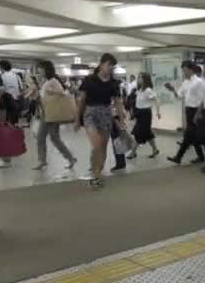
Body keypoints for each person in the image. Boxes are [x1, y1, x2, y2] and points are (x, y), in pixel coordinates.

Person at [75, 53, 125, 189]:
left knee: (102, 147)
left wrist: (121, 120)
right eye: (109, 65)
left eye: (112, 66)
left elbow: (118, 103)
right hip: (90, 114)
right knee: (96, 144)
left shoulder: (114, 83)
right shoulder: (89, 80)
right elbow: (81, 100)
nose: (110, 68)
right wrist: (76, 119)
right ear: (101, 64)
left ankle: (97, 174)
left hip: (106, 114)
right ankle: (96, 173)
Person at [32, 60, 77, 170]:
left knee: (42, 137)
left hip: (51, 114)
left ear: (46, 69)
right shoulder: (47, 81)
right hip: (46, 113)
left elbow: (61, 93)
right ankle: (69, 158)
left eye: (40, 69)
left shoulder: (53, 81)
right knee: (53, 138)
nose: (38, 71)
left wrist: (51, 92)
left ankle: (42, 161)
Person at [166, 61, 205, 165]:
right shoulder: (185, 82)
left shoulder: (199, 82)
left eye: (185, 70)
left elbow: (203, 99)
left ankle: (178, 157)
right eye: (183, 70)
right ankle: (201, 157)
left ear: (191, 69)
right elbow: (179, 96)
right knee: (193, 136)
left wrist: (199, 113)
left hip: (196, 111)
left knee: (188, 134)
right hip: (188, 110)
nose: (184, 72)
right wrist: (172, 90)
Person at [127, 72, 161, 159]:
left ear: (145, 79)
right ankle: (155, 149)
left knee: (138, 133)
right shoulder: (139, 90)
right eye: (138, 78)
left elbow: (156, 100)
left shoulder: (148, 90)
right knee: (147, 134)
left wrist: (158, 112)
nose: (138, 79)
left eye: (140, 78)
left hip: (145, 115)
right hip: (139, 114)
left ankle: (133, 152)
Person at [0, 60, 22, 126]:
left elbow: (1, 89)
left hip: (7, 100)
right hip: (16, 100)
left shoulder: (2, 76)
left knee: (7, 119)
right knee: (13, 120)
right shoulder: (16, 76)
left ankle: (7, 132)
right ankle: (13, 131)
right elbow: (21, 88)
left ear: (2, 67)